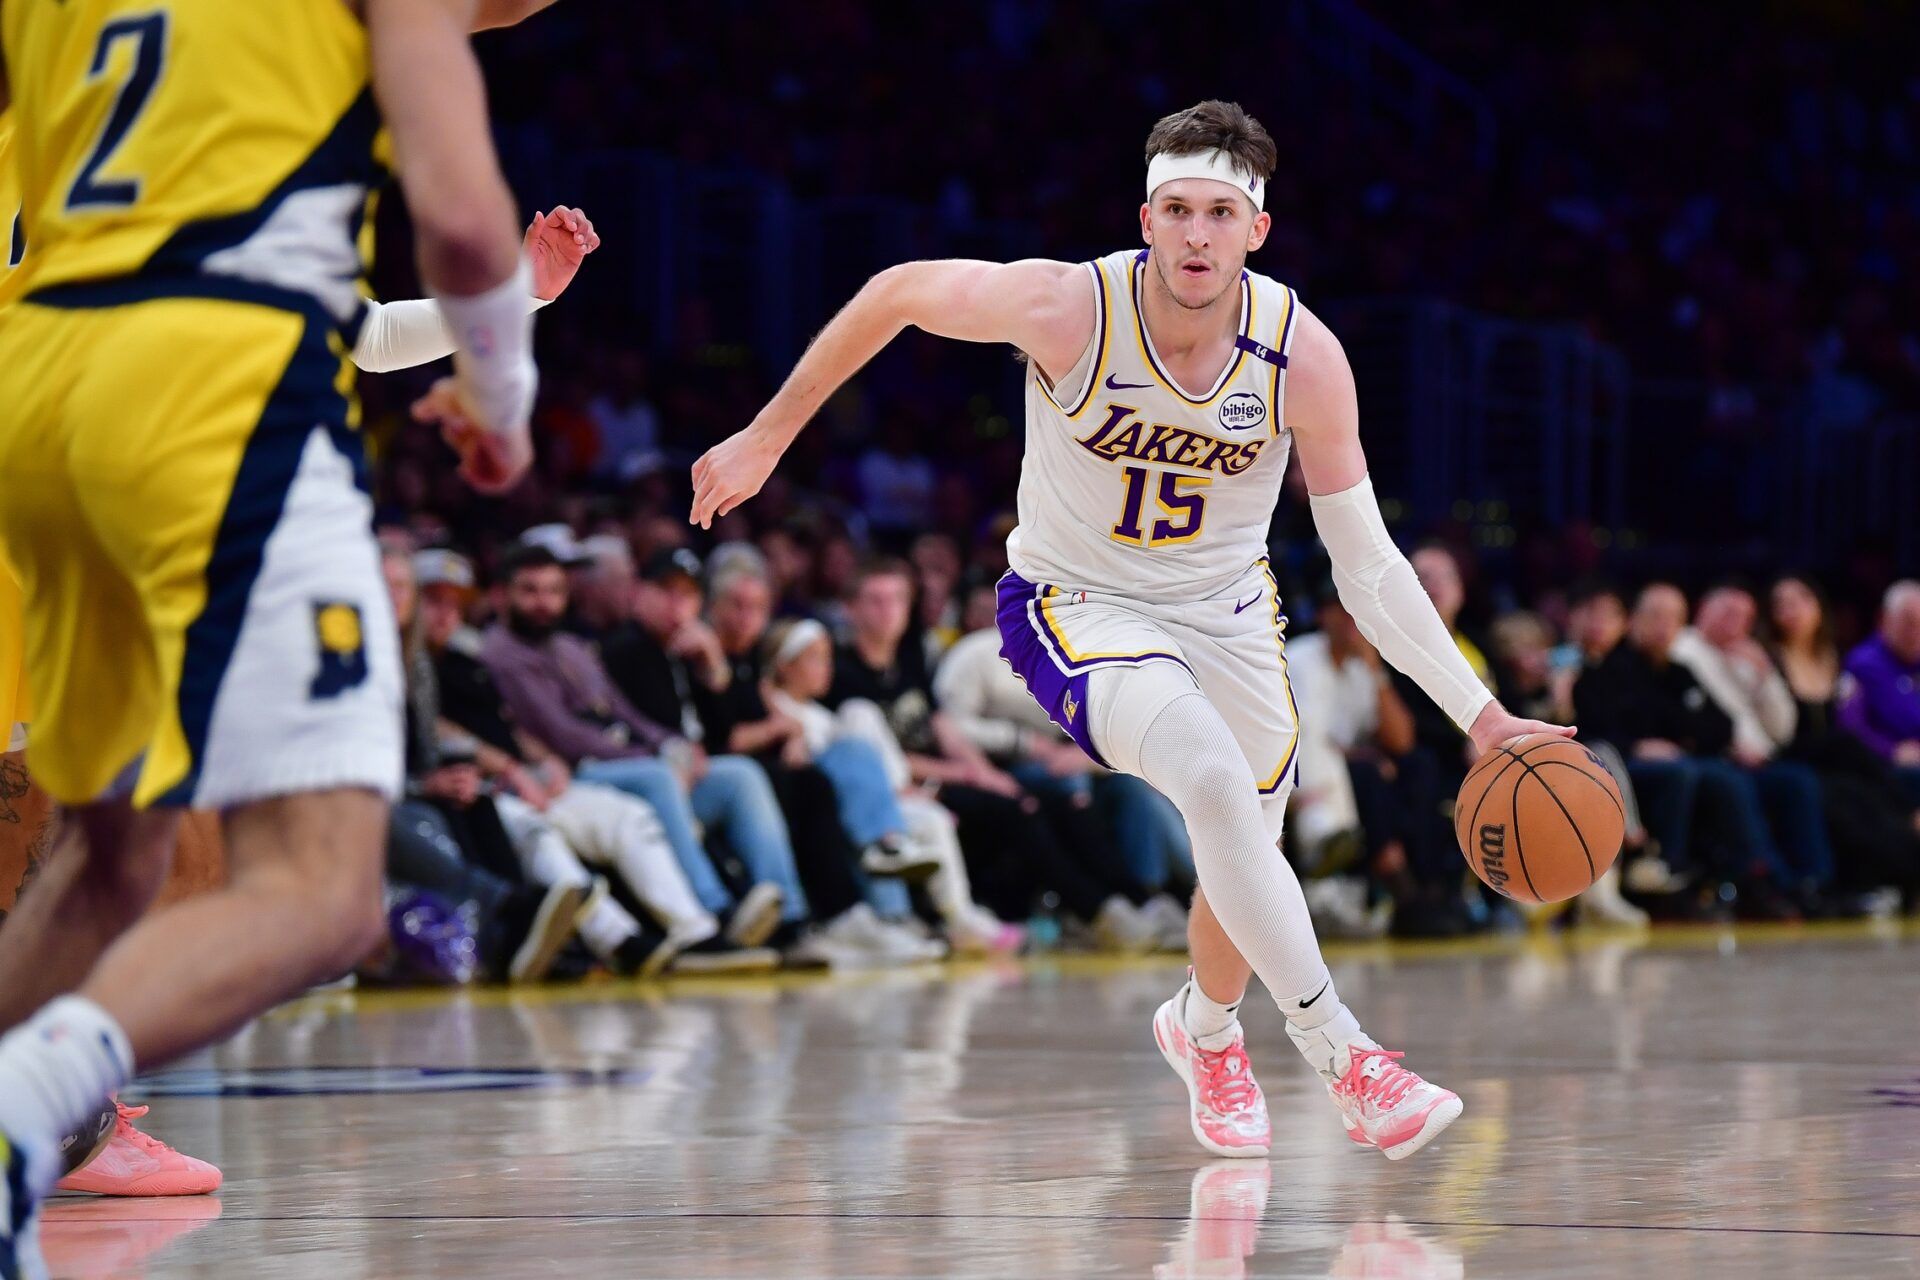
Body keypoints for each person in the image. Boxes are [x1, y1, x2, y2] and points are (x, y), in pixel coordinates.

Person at [693, 99, 1574, 1160]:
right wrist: (766, 432)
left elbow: (1369, 564)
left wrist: (1482, 718)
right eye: (1177, 209)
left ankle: (1204, 1030)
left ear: (1257, 228)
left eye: (1218, 213)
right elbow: (900, 292)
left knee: (1247, 839)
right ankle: (1346, 1053)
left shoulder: (1305, 356)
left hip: (1229, 613)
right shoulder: (1071, 306)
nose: (1196, 233)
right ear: (1145, 218)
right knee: (1209, 779)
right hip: (1076, 602)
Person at [0, 0, 543, 1261]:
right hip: (217, 388)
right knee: (320, 887)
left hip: (41, 390)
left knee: (108, 851)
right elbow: (463, 223)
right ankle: (26, 1110)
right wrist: (501, 392)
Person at [480, 545, 804, 952]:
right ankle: (714, 908)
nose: (544, 603)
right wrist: (654, 757)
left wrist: (673, 745)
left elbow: (624, 712)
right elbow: (562, 733)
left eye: (553, 591)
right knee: (658, 774)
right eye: (530, 591)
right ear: (500, 595)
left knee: (740, 776)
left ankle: (789, 915)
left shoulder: (569, 647)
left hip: (630, 767)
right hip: (576, 772)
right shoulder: (501, 653)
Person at [828, 560, 1158, 951]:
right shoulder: (841, 673)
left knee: (1056, 800)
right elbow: (879, 756)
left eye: (897, 600)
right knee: (1020, 810)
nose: (888, 612)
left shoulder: (909, 659)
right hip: (903, 787)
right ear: (851, 609)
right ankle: (1097, 912)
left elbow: (942, 727)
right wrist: (966, 776)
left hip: (949, 772)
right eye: (876, 601)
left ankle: (1133, 901)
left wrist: (985, 774)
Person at [1769, 575, 1920, 902]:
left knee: (1865, 790)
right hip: (1793, 756)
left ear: (1819, 609)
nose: (1791, 611)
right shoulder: (1766, 659)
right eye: (1782, 604)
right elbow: (1783, 730)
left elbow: (1848, 725)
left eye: (1801, 601)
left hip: (1836, 760)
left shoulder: (1831, 660)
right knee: (1845, 789)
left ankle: (1899, 870)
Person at [1841, 581, 1920, 807]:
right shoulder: (1862, 664)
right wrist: (1892, 751)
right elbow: (1850, 727)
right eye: (1908, 622)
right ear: (1884, 620)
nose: (1915, 631)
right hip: (1887, 770)